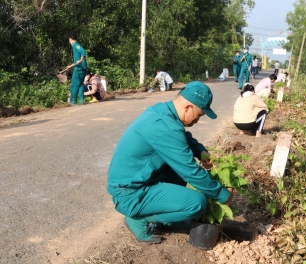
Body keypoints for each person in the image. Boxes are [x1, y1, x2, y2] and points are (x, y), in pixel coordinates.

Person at [108, 81, 233, 244]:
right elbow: (190, 171)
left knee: (175, 168)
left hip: (135, 183)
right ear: (188, 107)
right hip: (129, 194)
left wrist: (200, 151)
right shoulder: (165, 127)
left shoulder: (162, 112)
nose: (197, 120)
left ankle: (170, 217)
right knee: (197, 204)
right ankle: (139, 220)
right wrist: (222, 194)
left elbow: (182, 137)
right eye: (199, 115)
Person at [65, 33, 87, 105]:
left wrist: (81, 59)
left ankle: (73, 101)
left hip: (79, 69)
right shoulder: (76, 45)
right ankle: (81, 100)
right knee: (80, 84)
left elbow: (83, 51)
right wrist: (70, 66)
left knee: (74, 85)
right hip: (82, 68)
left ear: (70, 39)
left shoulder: (75, 45)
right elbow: (76, 61)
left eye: (69, 40)